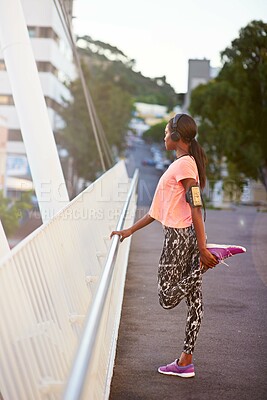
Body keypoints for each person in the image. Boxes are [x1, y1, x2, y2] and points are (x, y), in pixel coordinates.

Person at [110, 113, 218, 378]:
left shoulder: (183, 166)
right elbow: (158, 210)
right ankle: (185, 362)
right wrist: (129, 231)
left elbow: (196, 205)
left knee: (167, 298)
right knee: (195, 300)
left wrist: (203, 249)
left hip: (180, 238)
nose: (163, 135)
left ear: (176, 137)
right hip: (186, 236)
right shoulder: (183, 163)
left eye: (167, 131)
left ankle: (206, 263)